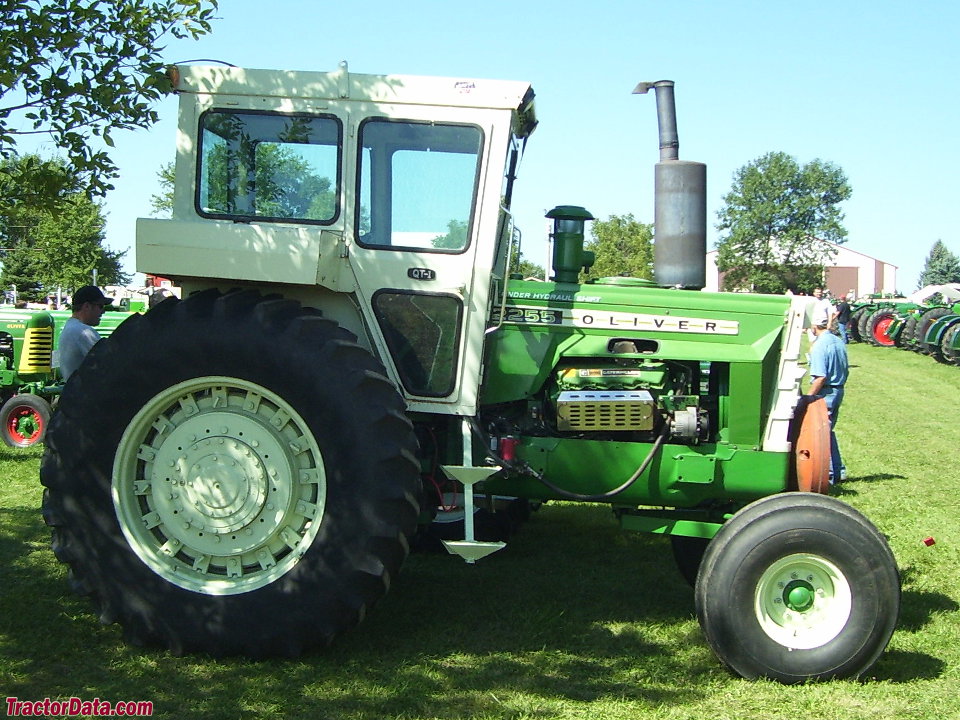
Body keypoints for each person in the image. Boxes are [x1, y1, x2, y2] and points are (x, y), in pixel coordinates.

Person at [808, 319, 849, 483]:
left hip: (826, 392)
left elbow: (820, 376)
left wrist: (808, 397)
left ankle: (830, 474)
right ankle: (838, 470)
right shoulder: (838, 341)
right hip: (839, 389)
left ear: (814, 326)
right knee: (828, 432)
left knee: (821, 435)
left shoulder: (819, 345)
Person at [59, 285, 111, 380]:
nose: (103, 311)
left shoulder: (70, 326)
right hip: (87, 393)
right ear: (87, 306)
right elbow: (110, 365)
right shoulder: (83, 332)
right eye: (100, 306)